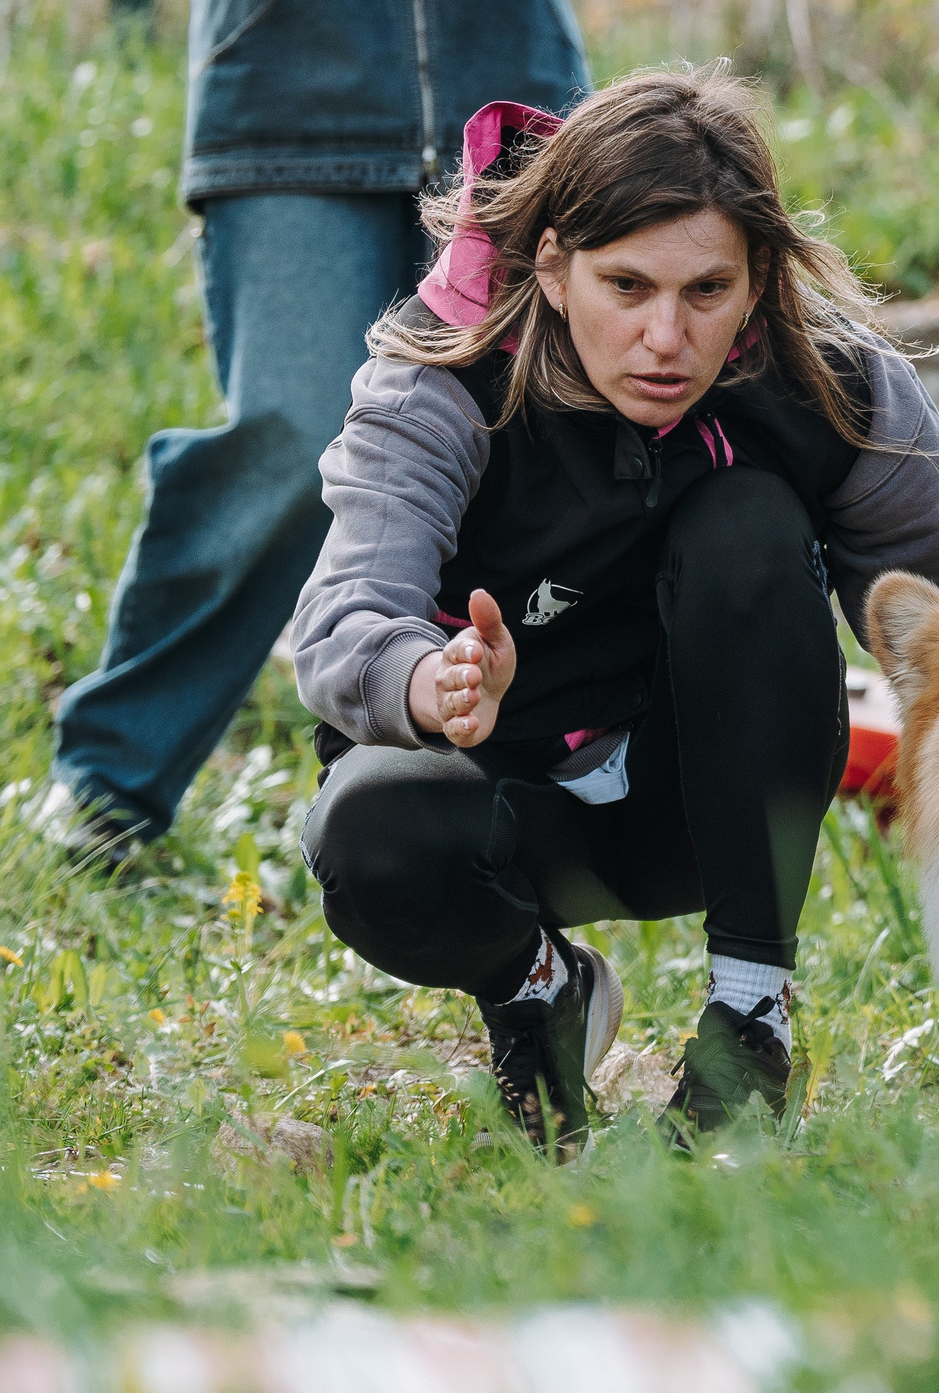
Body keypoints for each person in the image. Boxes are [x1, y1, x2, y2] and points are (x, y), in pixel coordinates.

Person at [289, 70, 939, 1150]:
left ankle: (750, 1021)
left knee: (744, 521)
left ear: (756, 281)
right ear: (553, 266)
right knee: (367, 834)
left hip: (701, 804)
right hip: (502, 808)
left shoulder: (829, 388)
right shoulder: (441, 382)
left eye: (706, 292)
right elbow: (338, 622)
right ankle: (539, 988)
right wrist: (431, 676)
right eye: (627, 286)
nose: (665, 338)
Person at [42, 0, 589, 858]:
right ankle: (111, 780)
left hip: (511, 78)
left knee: (520, 432)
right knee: (295, 441)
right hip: (285, 91)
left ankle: (487, 822)